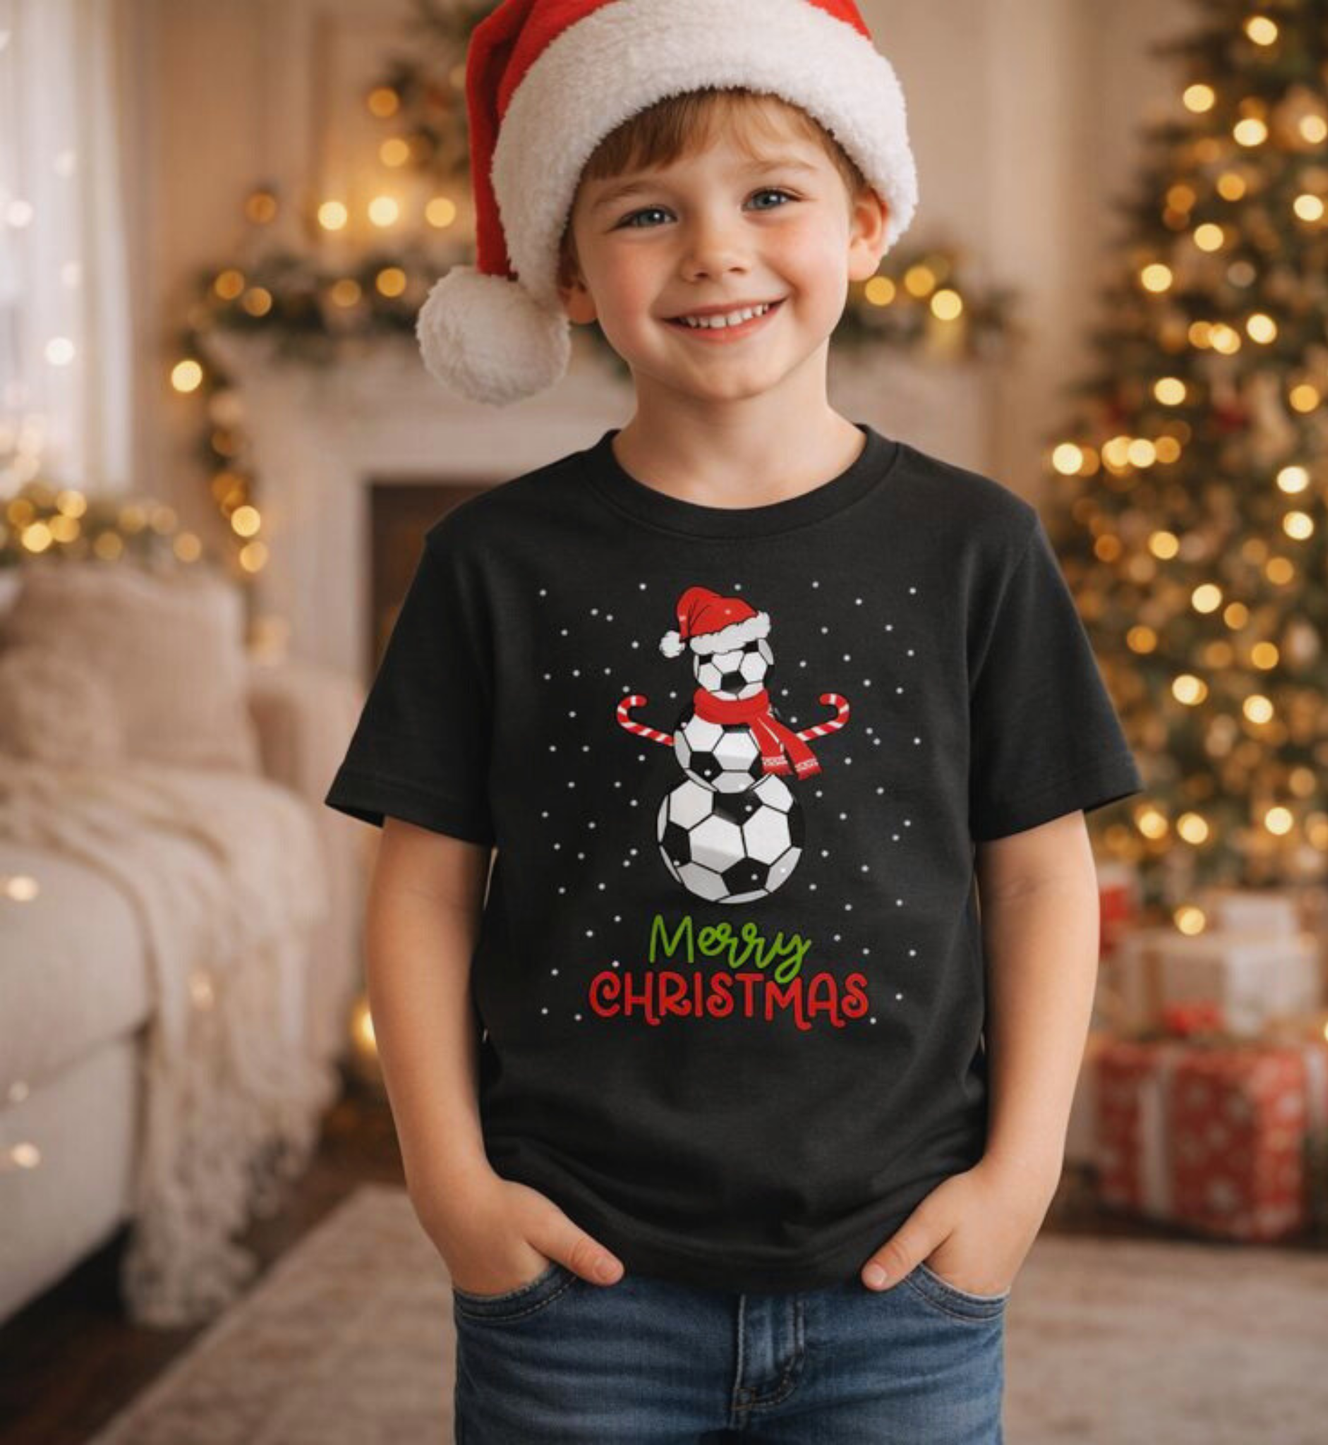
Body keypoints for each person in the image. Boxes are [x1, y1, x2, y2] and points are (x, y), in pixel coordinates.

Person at [323, 1, 1145, 1440]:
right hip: (578, 1287)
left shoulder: (977, 547)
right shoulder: (494, 563)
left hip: (897, 1288)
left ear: (868, 222)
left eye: (772, 194)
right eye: (646, 211)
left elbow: (1036, 872)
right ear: (569, 271)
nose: (715, 249)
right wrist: (454, 1191)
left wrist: (1019, 1178)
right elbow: (425, 886)